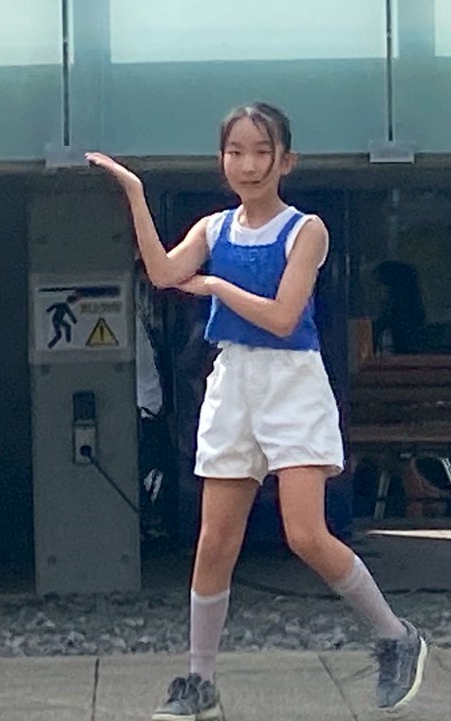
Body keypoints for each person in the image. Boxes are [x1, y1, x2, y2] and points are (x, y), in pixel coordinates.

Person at [88, 102, 427, 720]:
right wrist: (135, 192)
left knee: (306, 534)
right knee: (215, 539)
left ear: (286, 161)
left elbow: (283, 316)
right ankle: (199, 681)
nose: (247, 165)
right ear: (221, 159)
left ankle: (395, 636)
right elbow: (162, 273)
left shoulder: (307, 230)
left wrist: (216, 287)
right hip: (233, 380)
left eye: (261, 152)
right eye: (235, 152)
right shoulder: (214, 228)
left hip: (292, 383)